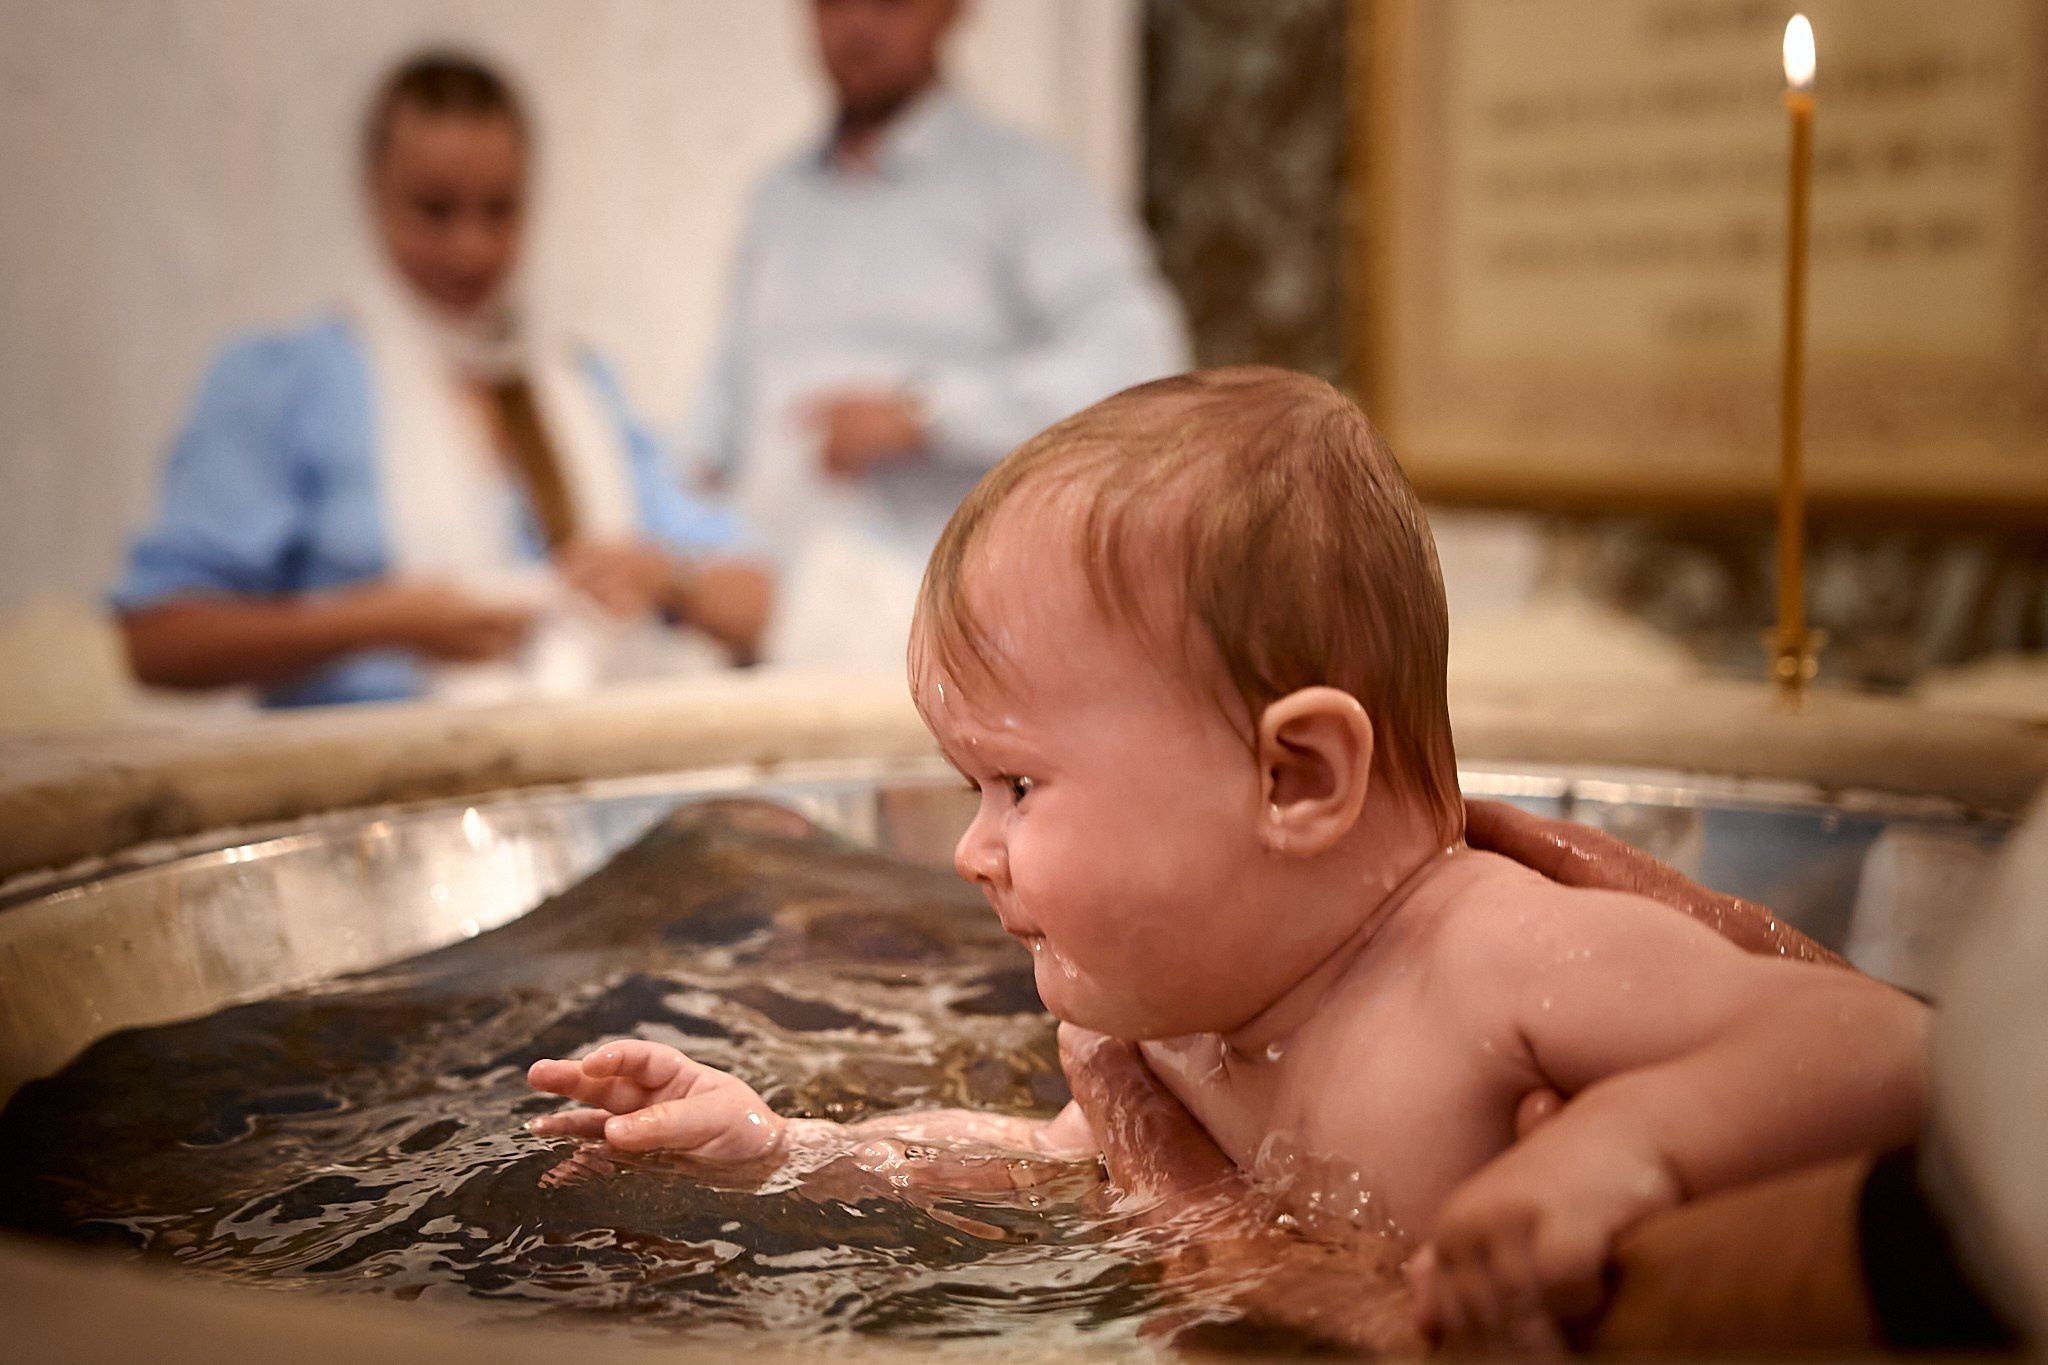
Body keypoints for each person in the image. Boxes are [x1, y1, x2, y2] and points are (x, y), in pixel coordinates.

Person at [527, 366, 1929, 1344]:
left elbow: (1889, 1053)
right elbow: (1053, 1161)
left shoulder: (1492, 956)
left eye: (1018, 783)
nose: (972, 849)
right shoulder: (1194, 1027)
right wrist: (782, 1146)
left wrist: (1628, 1150)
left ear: (1296, 776)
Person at [113, 54, 770, 709]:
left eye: (499, 210)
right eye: (434, 210)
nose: (471, 248)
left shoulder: (579, 387)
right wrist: (373, 623)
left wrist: (666, 576)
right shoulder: (286, 383)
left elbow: (756, 601)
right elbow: (156, 639)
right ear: (373, 193)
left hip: (580, 778)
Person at [686, 0, 1187, 668]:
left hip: (951, 653)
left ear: (955, 9)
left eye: (891, 0)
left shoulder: (1028, 185)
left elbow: (1139, 366)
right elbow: (719, 424)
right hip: (769, 653)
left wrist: (926, 412)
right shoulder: (775, 200)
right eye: (833, 1)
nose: (858, 25)